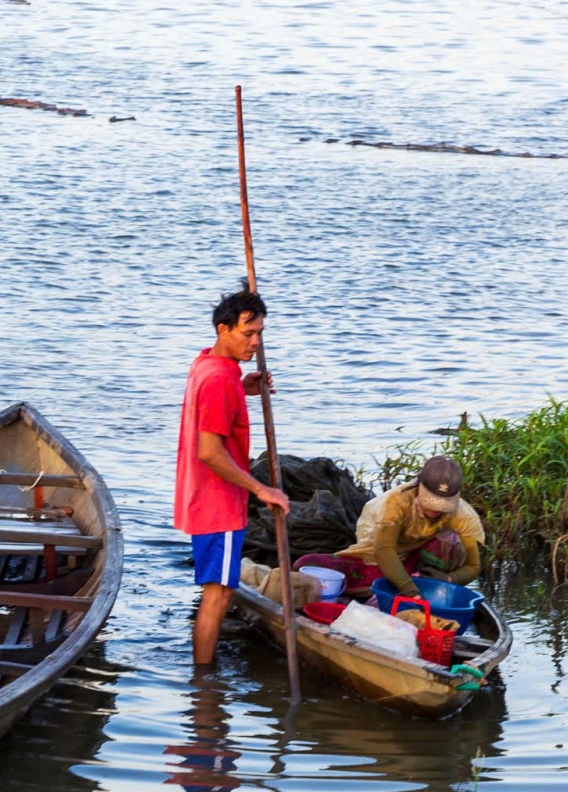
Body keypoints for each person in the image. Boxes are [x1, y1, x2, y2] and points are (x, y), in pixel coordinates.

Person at [176, 282, 291, 667]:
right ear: (223, 330)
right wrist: (262, 489)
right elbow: (210, 451)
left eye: (259, 333)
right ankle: (203, 684)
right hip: (219, 503)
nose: (255, 342)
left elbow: (213, 407)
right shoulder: (218, 378)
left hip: (203, 498)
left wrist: (243, 389)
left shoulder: (209, 364)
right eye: (248, 333)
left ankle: (202, 673)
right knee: (219, 594)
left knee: (217, 590)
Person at [297, 455, 485, 599]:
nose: (435, 511)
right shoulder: (396, 503)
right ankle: (404, 586)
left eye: (442, 506)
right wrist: (410, 591)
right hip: (381, 557)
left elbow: (473, 565)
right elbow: (383, 550)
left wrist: (450, 579)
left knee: (450, 540)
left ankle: (427, 588)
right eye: (431, 503)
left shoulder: (463, 515)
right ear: (419, 487)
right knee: (305, 564)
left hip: (420, 565)